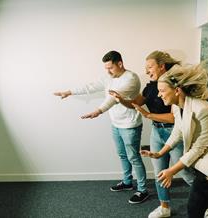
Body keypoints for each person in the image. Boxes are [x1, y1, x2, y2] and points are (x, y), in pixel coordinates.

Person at [142, 63, 208, 218]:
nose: (159, 95)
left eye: (162, 91)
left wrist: (171, 171)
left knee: (194, 210)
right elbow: (178, 131)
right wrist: (160, 153)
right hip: (205, 161)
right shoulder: (177, 106)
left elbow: (199, 147)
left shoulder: (204, 110)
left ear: (177, 90)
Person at [54, 50, 149, 204]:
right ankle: (127, 182)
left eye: (110, 67)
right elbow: (90, 87)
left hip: (130, 125)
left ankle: (143, 190)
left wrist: (98, 111)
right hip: (116, 124)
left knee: (134, 157)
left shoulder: (131, 78)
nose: (108, 71)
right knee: (122, 155)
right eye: (106, 68)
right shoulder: (108, 77)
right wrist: (69, 92)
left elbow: (113, 98)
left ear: (120, 63)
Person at [110, 51, 195, 218]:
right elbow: (135, 103)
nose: (147, 71)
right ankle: (164, 208)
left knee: (185, 173)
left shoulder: (176, 87)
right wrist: (121, 100)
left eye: (150, 67)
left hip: (174, 133)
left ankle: (207, 204)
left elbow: (173, 118)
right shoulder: (150, 87)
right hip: (157, 132)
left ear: (161, 66)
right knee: (160, 172)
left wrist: (148, 115)